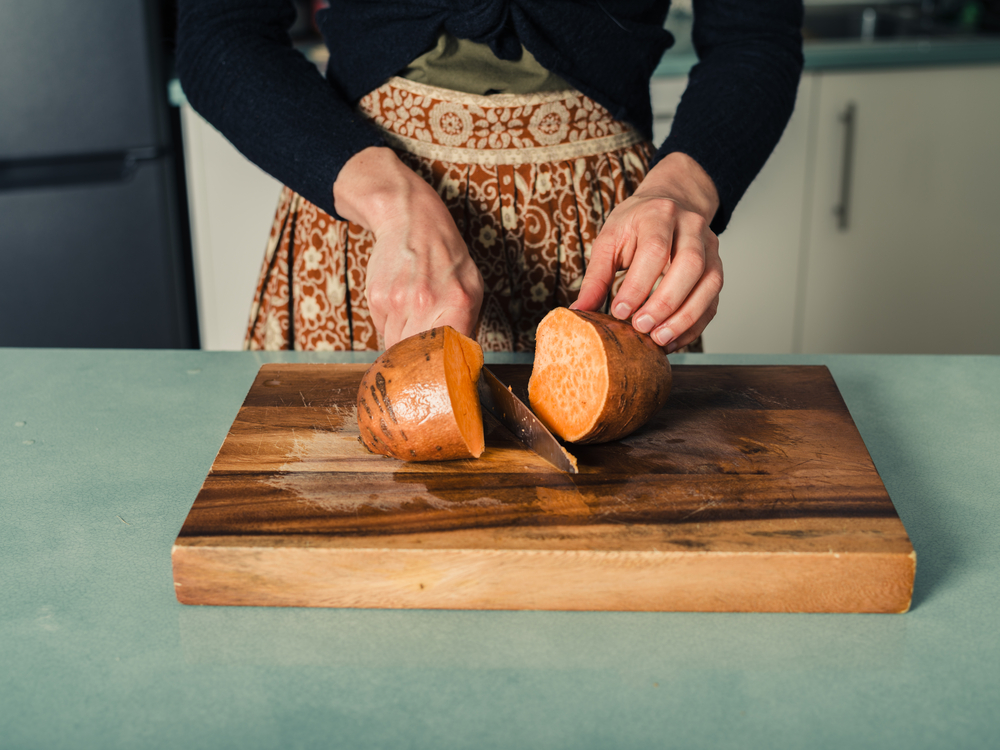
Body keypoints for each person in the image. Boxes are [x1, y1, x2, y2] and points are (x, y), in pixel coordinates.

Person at [176, 0, 804, 353]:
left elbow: (756, 40)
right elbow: (219, 35)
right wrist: (393, 204)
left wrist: (683, 190)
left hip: (608, 241)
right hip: (372, 236)